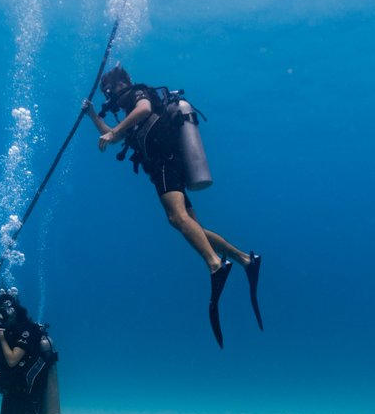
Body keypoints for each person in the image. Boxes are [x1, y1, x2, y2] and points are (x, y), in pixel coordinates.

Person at [82, 63, 263, 346]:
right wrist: (93, 115)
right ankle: (245, 259)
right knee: (193, 225)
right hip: (165, 166)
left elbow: (142, 110)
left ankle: (216, 265)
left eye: (110, 89)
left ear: (121, 84)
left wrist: (114, 128)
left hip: (165, 163)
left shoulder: (137, 94)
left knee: (176, 219)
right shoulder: (129, 112)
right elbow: (114, 136)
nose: (110, 96)